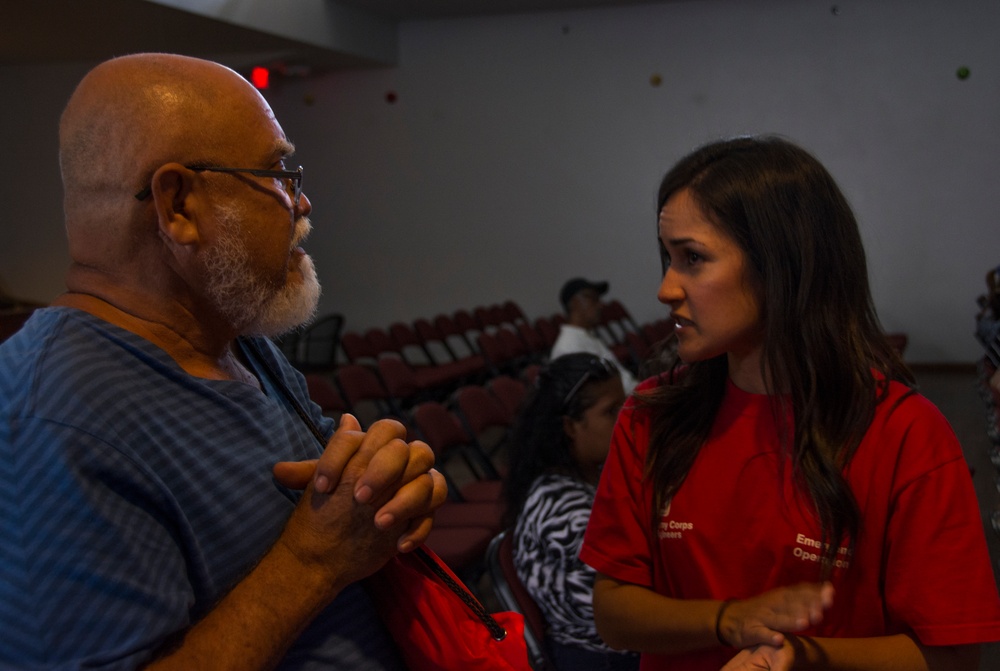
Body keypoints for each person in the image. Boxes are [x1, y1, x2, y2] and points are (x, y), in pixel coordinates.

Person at [0, 53, 448, 670]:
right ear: (178, 205)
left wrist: (382, 484)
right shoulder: (52, 419)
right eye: (275, 174)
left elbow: (337, 509)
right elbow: (318, 551)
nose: (302, 201)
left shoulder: (235, 339)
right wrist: (311, 564)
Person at [579, 135, 1000, 670]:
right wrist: (729, 619)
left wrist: (802, 658)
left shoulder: (906, 435)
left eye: (693, 259)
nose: (666, 288)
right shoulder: (651, 414)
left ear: (781, 267)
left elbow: (952, 657)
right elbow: (614, 615)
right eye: (668, 258)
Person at [502, 353, 639, 671]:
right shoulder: (564, 513)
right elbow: (625, 614)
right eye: (611, 412)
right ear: (570, 427)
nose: (627, 417)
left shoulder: (595, 470)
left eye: (625, 404)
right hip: (603, 657)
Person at [549, 278, 639, 395]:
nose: (600, 305)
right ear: (574, 303)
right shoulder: (567, 348)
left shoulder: (587, 336)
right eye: (593, 299)